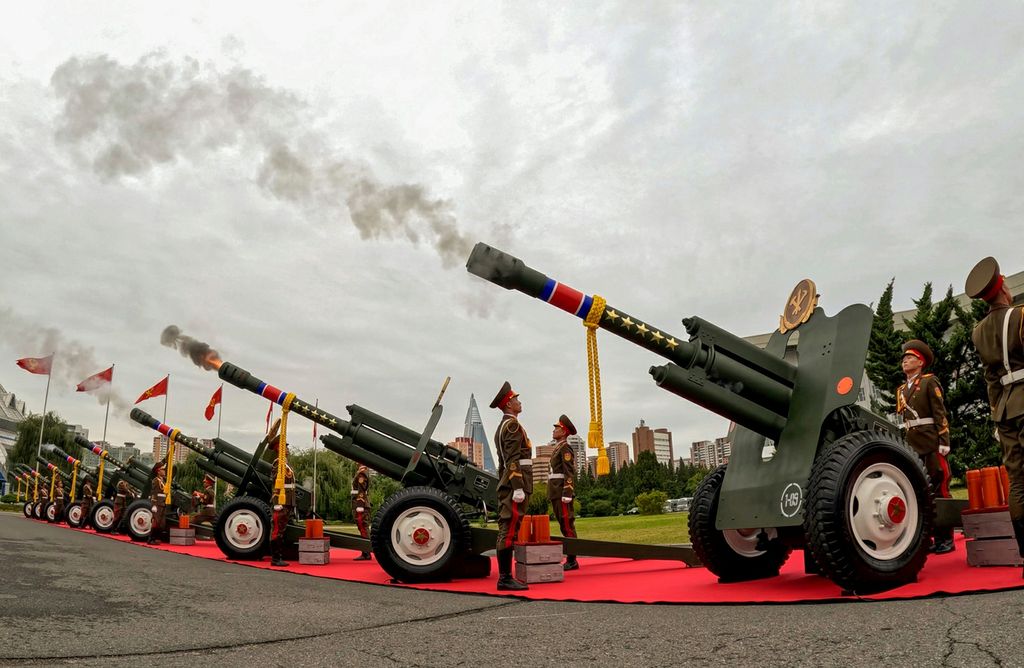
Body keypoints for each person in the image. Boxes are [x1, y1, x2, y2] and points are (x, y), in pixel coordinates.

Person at [966, 257, 1024, 571]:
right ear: (1002, 285)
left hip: (1005, 411)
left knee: (1017, 482)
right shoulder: (1020, 317)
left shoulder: (979, 332)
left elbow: (992, 381)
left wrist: (996, 416)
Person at [896, 339, 954, 554]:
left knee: (940, 488)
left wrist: (944, 441)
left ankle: (945, 538)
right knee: (920, 492)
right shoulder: (901, 389)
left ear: (920, 362)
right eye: (904, 359)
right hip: (912, 444)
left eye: (910, 358)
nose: (905, 362)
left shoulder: (929, 382)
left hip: (930, 442)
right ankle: (926, 537)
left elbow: (940, 413)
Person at [490, 381, 532, 591]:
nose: (519, 402)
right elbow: (512, 459)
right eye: (516, 399)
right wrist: (517, 486)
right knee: (508, 529)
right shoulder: (512, 425)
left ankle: (506, 576)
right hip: (515, 482)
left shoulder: (504, 426)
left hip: (508, 480)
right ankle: (504, 578)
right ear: (508, 404)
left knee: (509, 528)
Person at [547, 414, 580, 571]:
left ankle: (572, 560)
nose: (554, 430)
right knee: (563, 524)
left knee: (567, 524)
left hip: (562, 491)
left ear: (564, 431)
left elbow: (569, 472)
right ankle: (571, 557)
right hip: (556, 490)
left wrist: (567, 492)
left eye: (557, 428)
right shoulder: (558, 447)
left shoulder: (565, 448)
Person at [268, 438, 295, 567]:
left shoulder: (285, 464)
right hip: (281, 500)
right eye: (285, 446)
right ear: (279, 448)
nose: (288, 449)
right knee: (277, 529)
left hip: (287, 500)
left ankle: (278, 556)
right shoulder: (278, 464)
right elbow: (276, 485)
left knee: (281, 529)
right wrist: (277, 501)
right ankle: (275, 558)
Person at [352, 464, 372, 561]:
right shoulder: (362, 472)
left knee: (363, 527)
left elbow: (361, 491)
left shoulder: (362, 473)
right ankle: (366, 551)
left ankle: (366, 553)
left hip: (361, 505)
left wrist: (359, 505)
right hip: (362, 504)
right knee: (363, 527)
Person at [148, 462, 167, 545]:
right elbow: (154, 493)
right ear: (158, 471)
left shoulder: (162, 480)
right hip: (157, 503)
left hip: (162, 503)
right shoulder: (156, 481)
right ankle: (150, 539)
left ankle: (155, 538)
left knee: (160, 522)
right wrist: (154, 505)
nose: (164, 471)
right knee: (155, 522)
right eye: (163, 469)